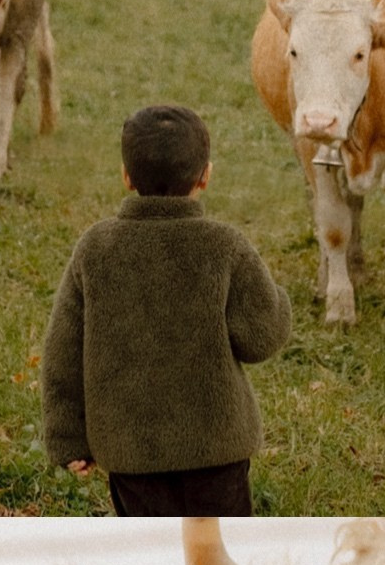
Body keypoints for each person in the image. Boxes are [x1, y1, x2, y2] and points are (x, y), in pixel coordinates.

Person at [41, 104, 291, 516]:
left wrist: (68, 439)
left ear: (126, 177)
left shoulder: (95, 248)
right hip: (218, 449)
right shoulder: (224, 245)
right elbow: (261, 338)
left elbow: (63, 353)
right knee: (219, 551)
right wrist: (278, 301)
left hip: (131, 452)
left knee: (152, 555)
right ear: (205, 176)